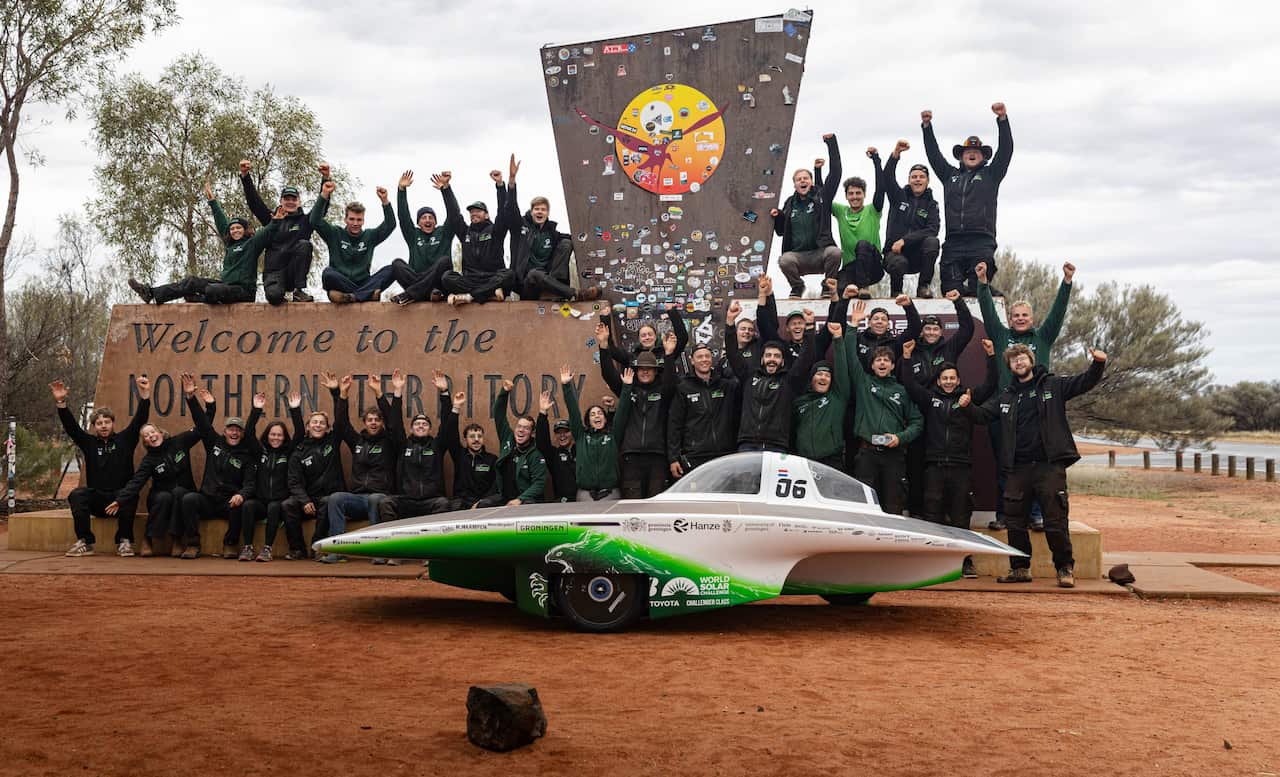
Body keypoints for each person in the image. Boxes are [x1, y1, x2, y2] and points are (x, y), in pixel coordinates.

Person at [970, 344, 1107, 587]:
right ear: (1010, 367)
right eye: (1014, 361)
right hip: (1018, 469)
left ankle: (1065, 569)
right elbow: (981, 416)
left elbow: (1084, 382)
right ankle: (1020, 569)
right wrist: (966, 405)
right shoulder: (1006, 396)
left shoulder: (1052, 386)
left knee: (1055, 522)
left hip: (1049, 467)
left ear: (1031, 360)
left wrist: (1098, 363)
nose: (1019, 363)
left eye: (1022, 358)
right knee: (1014, 523)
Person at [978, 259, 1074, 531]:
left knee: (1036, 467)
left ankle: (1035, 514)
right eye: (1015, 315)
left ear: (1031, 319)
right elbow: (986, 310)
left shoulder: (1042, 338)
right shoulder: (1000, 335)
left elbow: (1058, 313)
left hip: (1035, 415)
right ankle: (1004, 514)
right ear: (1010, 319)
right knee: (1005, 467)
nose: (1019, 319)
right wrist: (983, 283)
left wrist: (1066, 282)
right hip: (1005, 412)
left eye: (1024, 315)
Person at [899, 338, 997, 577]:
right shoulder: (929, 399)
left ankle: (964, 562)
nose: (949, 381)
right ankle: (932, 561)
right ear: (939, 381)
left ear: (959, 380)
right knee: (932, 515)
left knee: (961, 516)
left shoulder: (967, 399)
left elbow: (991, 384)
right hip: (934, 466)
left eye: (953, 378)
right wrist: (906, 357)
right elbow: (910, 384)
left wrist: (992, 357)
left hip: (961, 467)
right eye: (945, 378)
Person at [127, 184, 282, 304]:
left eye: (238, 228)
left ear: (245, 230)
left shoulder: (252, 244)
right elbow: (221, 221)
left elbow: (266, 232)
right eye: (233, 228)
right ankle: (152, 293)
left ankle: (198, 300)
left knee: (212, 290)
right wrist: (212, 201)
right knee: (191, 281)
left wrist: (275, 221)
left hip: (244, 292)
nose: (235, 231)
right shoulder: (229, 244)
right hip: (226, 286)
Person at [52, 375, 151, 558]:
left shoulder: (125, 440)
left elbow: (140, 419)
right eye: (99, 423)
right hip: (99, 500)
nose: (103, 426)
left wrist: (144, 394)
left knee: (130, 495)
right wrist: (61, 403)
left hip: (121, 500)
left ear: (113, 423)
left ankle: (124, 541)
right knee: (77, 494)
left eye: (107, 422)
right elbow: (71, 427)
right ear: (94, 426)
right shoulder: (89, 443)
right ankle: (85, 542)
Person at [921, 102, 1013, 295]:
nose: (972, 154)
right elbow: (934, 156)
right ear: (961, 156)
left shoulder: (991, 175)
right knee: (950, 289)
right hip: (954, 241)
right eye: (967, 152)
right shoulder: (949, 176)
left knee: (976, 285)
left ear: (983, 156)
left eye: (976, 152)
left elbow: (1005, 151)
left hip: (981, 240)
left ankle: (995, 300)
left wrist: (1002, 120)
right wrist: (927, 127)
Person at [845, 301, 924, 516]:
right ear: (871, 365)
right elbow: (850, 357)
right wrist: (852, 325)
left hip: (894, 455)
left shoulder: (902, 390)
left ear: (892, 365)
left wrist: (901, 437)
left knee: (893, 507)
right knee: (865, 507)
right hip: (866, 454)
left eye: (886, 361)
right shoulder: (863, 382)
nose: (882, 363)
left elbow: (917, 422)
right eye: (878, 360)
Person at [112, 393, 211, 558]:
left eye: (152, 432)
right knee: (165, 497)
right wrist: (120, 500)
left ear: (160, 432)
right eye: (146, 436)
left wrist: (210, 407)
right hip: (160, 497)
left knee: (179, 493)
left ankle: (177, 539)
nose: (151, 436)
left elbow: (203, 427)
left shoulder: (179, 442)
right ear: (145, 442)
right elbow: (137, 482)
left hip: (184, 493)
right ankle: (148, 539)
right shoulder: (149, 460)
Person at [323, 370, 405, 564]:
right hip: (358, 498)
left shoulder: (390, 442)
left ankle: (378, 550)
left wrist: (379, 393)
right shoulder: (357, 442)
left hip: (381, 496)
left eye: (377, 420)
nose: (374, 423)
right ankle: (337, 549)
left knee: (376, 499)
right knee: (336, 498)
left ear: (381, 423)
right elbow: (341, 425)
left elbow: (394, 422)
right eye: (370, 420)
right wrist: (341, 394)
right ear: (365, 422)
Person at [180, 373, 258, 560]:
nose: (234, 432)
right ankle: (192, 544)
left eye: (238, 430)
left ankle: (230, 544)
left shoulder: (247, 456)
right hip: (207, 499)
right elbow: (201, 422)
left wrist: (241, 494)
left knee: (241, 505)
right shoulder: (214, 442)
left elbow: (250, 483)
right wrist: (191, 398)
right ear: (224, 431)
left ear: (242, 433)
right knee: (189, 499)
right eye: (231, 429)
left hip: (228, 503)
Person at [725, 301, 815, 452]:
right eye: (768, 355)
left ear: (782, 361)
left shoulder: (789, 380)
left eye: (776, 356)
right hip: (747, 444)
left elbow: (806, 358)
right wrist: (729, 323)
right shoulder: (748, 376)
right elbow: (732, 353)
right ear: (762, 359)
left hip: (777, 445)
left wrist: (810, 327)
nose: (772, 359)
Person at [598, 329, 677, 498]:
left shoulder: (663, 392)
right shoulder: (628, 391)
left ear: (656, 371)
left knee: (656, 505)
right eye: (641, 368)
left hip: (658, 457)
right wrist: (604, 347)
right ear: (636, 371)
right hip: (630, 457)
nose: (645, 371)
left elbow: (671, 382)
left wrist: (669, 354)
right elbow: (608, 375)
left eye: (649, 369)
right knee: (632, 508)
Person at [507, 162, 600, 302]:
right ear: (531, 212)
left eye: (543, 209)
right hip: (527, 285)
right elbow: (511, 208)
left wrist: (596, 237)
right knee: (534, 274)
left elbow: (575, 239)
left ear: (547, 213)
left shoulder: (552, 233)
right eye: (536, 209)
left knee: (567, 243)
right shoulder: (520, 227)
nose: (540, 212)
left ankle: (553, 291)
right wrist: (512, 181)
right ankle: (576, 294)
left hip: (549, 282)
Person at [239, 158, 320, 304]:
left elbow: (321, 207)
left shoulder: (305, 221)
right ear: (281, 201)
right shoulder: (272, 219)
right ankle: (281, 303)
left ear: (299, 202)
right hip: (274, 272)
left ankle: (298, 291)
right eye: (286, 199)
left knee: (304, 245)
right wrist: (245, 176)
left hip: (292, 272)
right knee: (274, 297)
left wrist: (325, 184)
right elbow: (254, 203)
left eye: (293, 199)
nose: (290, 202)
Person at [282, 375, 346, 559]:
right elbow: (293, 482)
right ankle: (297, 549)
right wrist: (304, 501)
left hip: (328, 497)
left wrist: (336, 393)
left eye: (322, 423)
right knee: (287, 505)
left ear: (327, 428)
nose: (318, 425)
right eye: (314, 423)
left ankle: (318, 547)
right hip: (307, 499)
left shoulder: (332, 442)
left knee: (329, 502)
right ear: (308, 427)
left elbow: (341, 420)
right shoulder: (298, 451)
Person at [773, 134, 843, 298]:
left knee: (835, 253)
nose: (802, 181)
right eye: (799, 179)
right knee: (784, 260)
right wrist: (778, 217)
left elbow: (835, 173)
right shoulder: (790, 203)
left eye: (805, 178)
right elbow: (781, 231)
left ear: (811, 182)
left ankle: (828, 285)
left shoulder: (821, 198)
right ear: (795, 185)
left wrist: (831, 144)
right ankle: (798, 287)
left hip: (820, 253)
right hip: (800, 257)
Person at [441, 156, 518, 305]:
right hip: (471, 280)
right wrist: (446, 188)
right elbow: (454, 215)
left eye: (478, 211)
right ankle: (489, 295)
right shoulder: (465, 232)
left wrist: (500, 185)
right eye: (472, 212)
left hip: (493, 277)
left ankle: (471, 296)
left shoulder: (495, 230)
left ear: (487, 215)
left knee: (509, 274)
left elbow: (503, 212)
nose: (474, 213)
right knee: (447, 277)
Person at [380, 370, 454, 521]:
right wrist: (398, 391)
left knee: (444, 503)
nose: (421, 426)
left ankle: (433, 543)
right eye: (417, 424)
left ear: (430, 429)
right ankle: (393, 543)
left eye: (425, 424)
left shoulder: (437, 445)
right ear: (411, 429)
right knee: (386, 502)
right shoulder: (403, 445)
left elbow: (447, 425)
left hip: (431, 501)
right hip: (406, 500)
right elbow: (394, 423)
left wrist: (444, 393)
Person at [242, 390, 306, 562]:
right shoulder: (259, 451)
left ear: (284, 437)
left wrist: (295, 410)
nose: (276, 437)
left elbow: (300, 434)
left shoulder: (288, 452)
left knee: (274, 507)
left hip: (278, 502)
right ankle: (247, 548)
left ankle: (267, 549)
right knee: (248, 505)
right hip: (261, 500)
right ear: (267, 435)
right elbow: (248, 433)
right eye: (272, 434)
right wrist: (256, 410)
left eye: (279, 435)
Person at [310, 178, 397, 303]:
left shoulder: (370, 236)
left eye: (359, 220)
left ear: (363, 220)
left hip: (364, 282)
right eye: (352, 219)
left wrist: (385, 201)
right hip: (341, 281)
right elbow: (315, 221)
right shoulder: (335, 233)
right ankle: (367, 295)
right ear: (345, 219)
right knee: (328, 273)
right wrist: (324, 194)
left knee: (394, 268)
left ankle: (353, 296)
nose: (355, 223)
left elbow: (390, 224)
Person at [820, 139, 886, 296]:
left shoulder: (872, 210)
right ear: (846, 196)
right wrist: (818, 172)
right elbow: (823, 197)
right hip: (853, 268)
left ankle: (863, 288)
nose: (855, 197)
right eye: (851, 193)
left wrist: (876, 161)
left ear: (864, 194)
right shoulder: (841, 211)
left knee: (862, 245)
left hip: (873, 266)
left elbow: (881, 188)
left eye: (858, 193)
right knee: (830, 285)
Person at [667, 343, 740, 477]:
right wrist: (673, 458)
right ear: (692, 360)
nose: (704, 359)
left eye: (707, 356)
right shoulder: (683, 388)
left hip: (724, 456)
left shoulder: (725, 386)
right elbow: (674, 425)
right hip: (695, 456)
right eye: (699, 357)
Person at [881, 139, 941, 298]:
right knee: (898, 262)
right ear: (909, 180)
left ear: (927, 181)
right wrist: (896, 154)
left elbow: (932, 229)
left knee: (933, 242)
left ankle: (923, 287)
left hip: (917, 257)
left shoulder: (932, 205)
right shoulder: (898, 196)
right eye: (914, 176)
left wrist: (905, 240)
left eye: (922, 177)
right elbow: (887, 177)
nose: (918, 179)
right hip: (894, 255)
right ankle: (896, 292)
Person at [389, 170, 457, 306]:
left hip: (438, 282)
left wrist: (446, 189)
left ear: (436, 222)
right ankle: (424, 292)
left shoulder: (444, 232)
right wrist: (401, 190)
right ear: (418, 223)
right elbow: (403, 217)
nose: (427, 220)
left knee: (445, 261)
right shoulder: (413, 235)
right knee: (397, 263)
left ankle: (410, 294)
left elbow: (454, 213)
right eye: (423, 218)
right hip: (416, 279)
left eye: (431, 217)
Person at [477, 380, 547, 508]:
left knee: (527, 506)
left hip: (525, 500)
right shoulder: (507, 439)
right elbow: (499, 414)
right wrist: (504, 392)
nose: (521, 430)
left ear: (532, 433)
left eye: (526, 428)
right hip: (503, 497)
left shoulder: (536, 454)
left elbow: (539, 484)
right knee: (483, 505)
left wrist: (520, 499)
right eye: (519, 426)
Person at [559, 364, 624, 501]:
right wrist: (566, 386)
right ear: (588, 420)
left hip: (610, 491)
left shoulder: (612, 436)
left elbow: (623, 412)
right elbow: (573, 412)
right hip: (585, 492)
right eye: (593, 414)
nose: (596, 416)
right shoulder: (581, 436)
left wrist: (627, 388)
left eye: (600, 413)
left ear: (606, 420)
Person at [792, 322, 852, 470]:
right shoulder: (799, 403)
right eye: (819, 374)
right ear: (811, 378)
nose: (823, 378)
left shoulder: (837, 397)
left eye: (827, 375)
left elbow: (842, 369)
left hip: (831, 462)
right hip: (803, 462)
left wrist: (837, 339)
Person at [441, 390, 500, 510]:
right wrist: (456, 407)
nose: (476, 440)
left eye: (479, 436)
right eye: (472, 437)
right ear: (465, 439)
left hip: (483, 504)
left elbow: (495, 486)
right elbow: (451, 434)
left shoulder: (492, 459)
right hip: (461, 503)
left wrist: (482, 502)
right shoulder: (459, 455)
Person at [601, 306, 688, 373]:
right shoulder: (632, 356)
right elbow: (611, 349)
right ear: (639, 339)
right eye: (643, 335)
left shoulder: (667, 353)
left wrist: (672, 311)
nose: (647, 337)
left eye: (650, 334)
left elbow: (683, 338)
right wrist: (605, 320)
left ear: (655, 336)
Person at [536, 388, 577, 502]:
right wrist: (543, 413)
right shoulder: (553, 454)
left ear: (572, 433)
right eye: (558, 433)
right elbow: (542, 442)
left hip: (585, 498)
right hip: (562, 502)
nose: (562, 435)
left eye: (566, 432)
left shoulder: (582, 449)